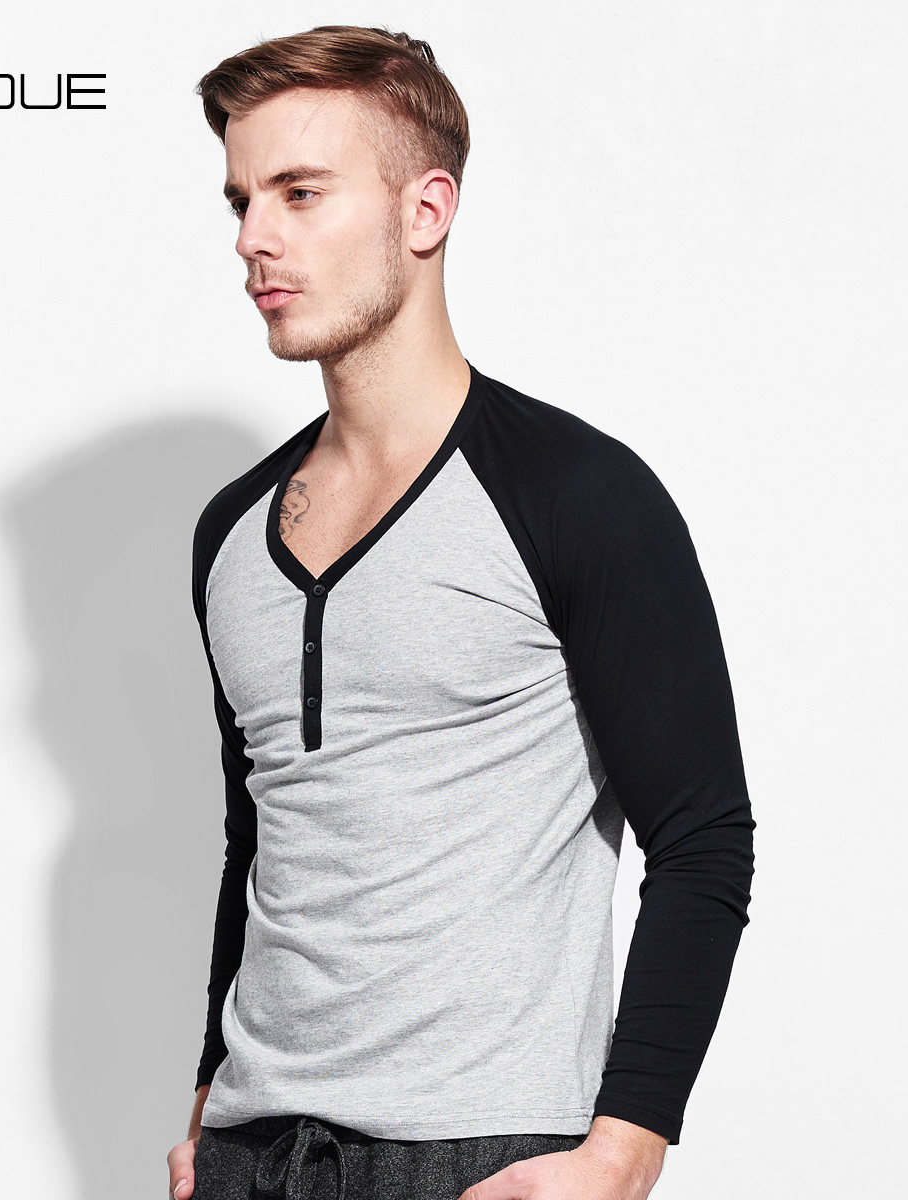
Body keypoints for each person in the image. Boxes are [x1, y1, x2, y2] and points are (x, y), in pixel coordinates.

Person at [169, 24, 756, 1200]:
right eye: (241, 199)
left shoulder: (576, 495)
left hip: (481, 1156)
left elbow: (703, 838)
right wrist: (204, 1103)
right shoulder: (230, 534)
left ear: (425, 211)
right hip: (247, 1154)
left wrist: (626, 1148)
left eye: (300, 193)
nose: (253, 238)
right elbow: (262, 840)